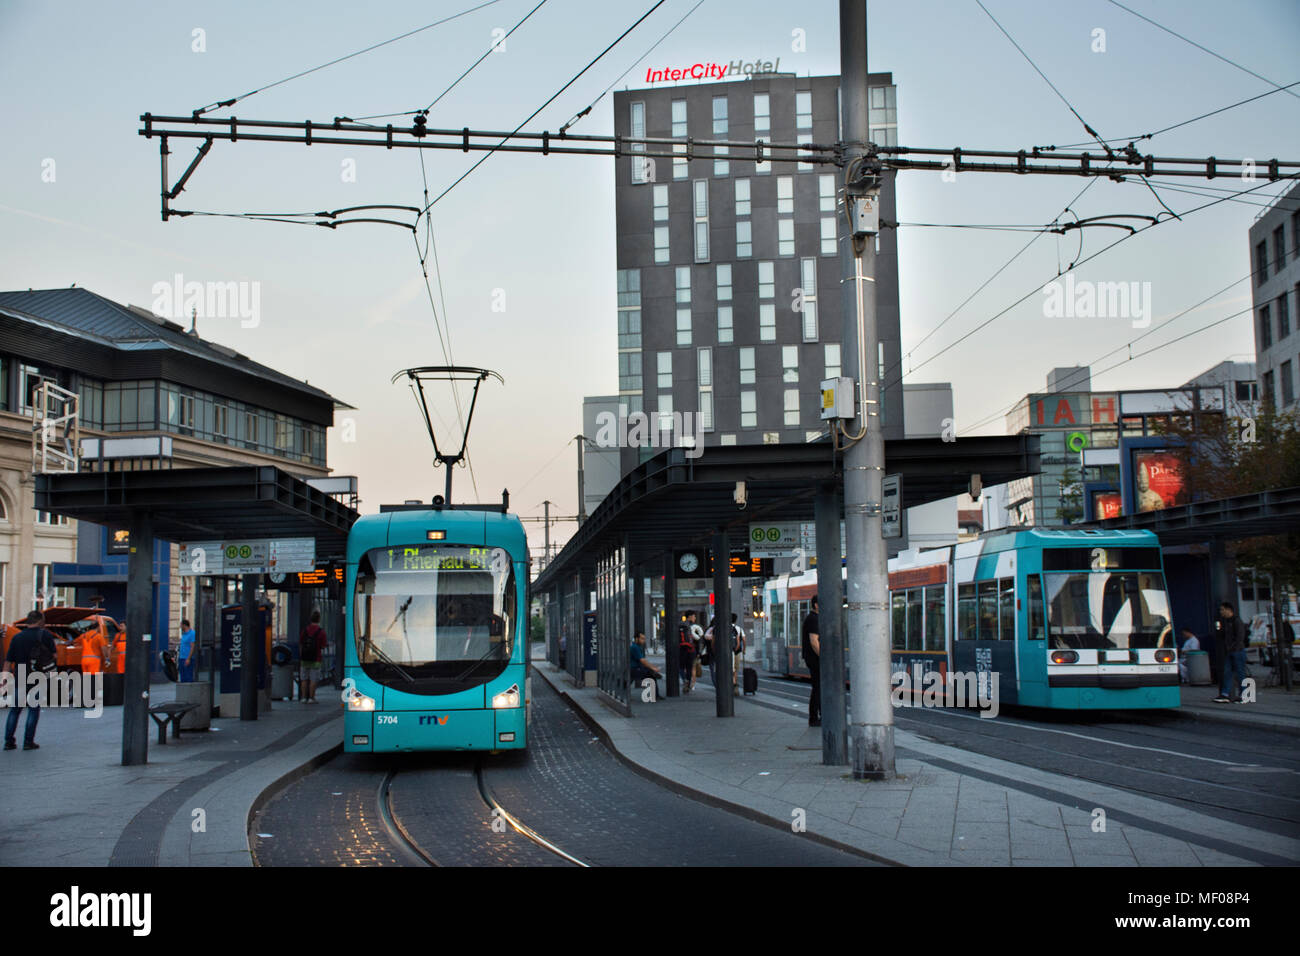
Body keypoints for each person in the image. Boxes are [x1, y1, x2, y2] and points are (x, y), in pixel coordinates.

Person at [4, 610, 58, 751]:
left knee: (14, 711)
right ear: (40, 621)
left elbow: (8, 661)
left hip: (20, 676)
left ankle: (8, 742)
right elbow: (54, 655)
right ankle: (28, 742)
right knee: (33, 710)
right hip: (37, 676)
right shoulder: (45, 635)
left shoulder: (17, 637)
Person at [1213, 601, 1247, 703]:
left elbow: (1240, 636)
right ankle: (1225, 694)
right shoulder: (1227, 622)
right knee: (1228, 672)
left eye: (1222, 609)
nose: (1221, 612)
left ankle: (1243, 695)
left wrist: (1234, 648)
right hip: (1231, 651)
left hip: (1237, 651)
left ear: (1229, 610)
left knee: (1239, 673)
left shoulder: (1236, 621)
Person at [299, 609, 327, 703]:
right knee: (313, 679)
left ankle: (303, 697)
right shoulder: (321, 632)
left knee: (304, 678)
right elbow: (323, 645)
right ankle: (311, 697)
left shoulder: (305, 630)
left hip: (304, 658)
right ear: (319, 619)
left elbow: (301, 642)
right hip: (316, 658)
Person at [801, 596, 821, 727]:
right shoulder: (813, 619)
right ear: (816, 605)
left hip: (813, 658)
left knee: (818, 688)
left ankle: (817, 716)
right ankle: (814, 718)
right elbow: (814, 642)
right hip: (815, 659)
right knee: (818, 688)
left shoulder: (813, 618)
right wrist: (823, 657)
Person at [629, 631, 662, 699]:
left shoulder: (636, 646)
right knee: (651, 675)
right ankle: (655, 696)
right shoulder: (635, 647)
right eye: (642, 638)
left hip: (634, 668)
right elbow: (642, 661)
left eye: (644, 639)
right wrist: (653, 668)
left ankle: (655, 695)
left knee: (650, 673)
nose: (643, 640)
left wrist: (653, 668)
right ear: (636, 639)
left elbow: (643, 661)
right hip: (634, 669)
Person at [677, 610, 698, 693]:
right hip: (690, 649)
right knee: (689, 667)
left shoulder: (682, 624)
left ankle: (685, 681)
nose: (695, 618)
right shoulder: (690, 625)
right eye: (694, 616)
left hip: (682, 648)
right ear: (689, 616)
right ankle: (688, 682)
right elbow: (696, 639)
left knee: (681, 667)